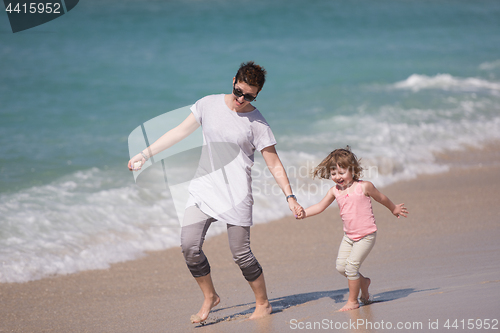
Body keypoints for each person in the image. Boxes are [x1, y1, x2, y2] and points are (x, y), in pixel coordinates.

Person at [128, 61, 303, 323]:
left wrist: (290, 197)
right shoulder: (207, 104)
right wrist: (145, 154)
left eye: (249, 96)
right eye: (239, 91)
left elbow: (274, 163)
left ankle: (263, 303)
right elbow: (179, 133)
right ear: (233, 81)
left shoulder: (257, 123)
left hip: (237, 195)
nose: (241, 99)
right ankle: (210, 296)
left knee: (241, 254)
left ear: (257, 95)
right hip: (204, 189)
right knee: (189, 247)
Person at [295, 147, 408, 311]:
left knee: (351, 268)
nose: (337, 177)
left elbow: (381, 197)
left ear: (353, 170)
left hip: (366, 235)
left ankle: (353, 301)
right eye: (334, 173)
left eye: (341, 172)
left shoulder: (364, 187)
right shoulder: (335, 191)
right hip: (349, 236)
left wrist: (393, 208)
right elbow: (320, 206)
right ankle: (364, 282)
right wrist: (304, 213)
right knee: (341, 267)